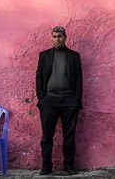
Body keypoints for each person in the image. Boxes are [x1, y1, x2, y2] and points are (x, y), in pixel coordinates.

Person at [35, 26, 82, 175]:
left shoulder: (74, 56)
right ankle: (46, 166)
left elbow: (79, 78)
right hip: (49, 100)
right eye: (55, 37)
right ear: (52, 38)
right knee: (47, 136)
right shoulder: (44, 55)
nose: (57, 39)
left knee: (69, 136)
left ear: (65, 37)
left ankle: (68, 165)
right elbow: (39, 76)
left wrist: (76, 99)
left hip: (69, 100)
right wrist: (41, 97)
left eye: (60, 36)